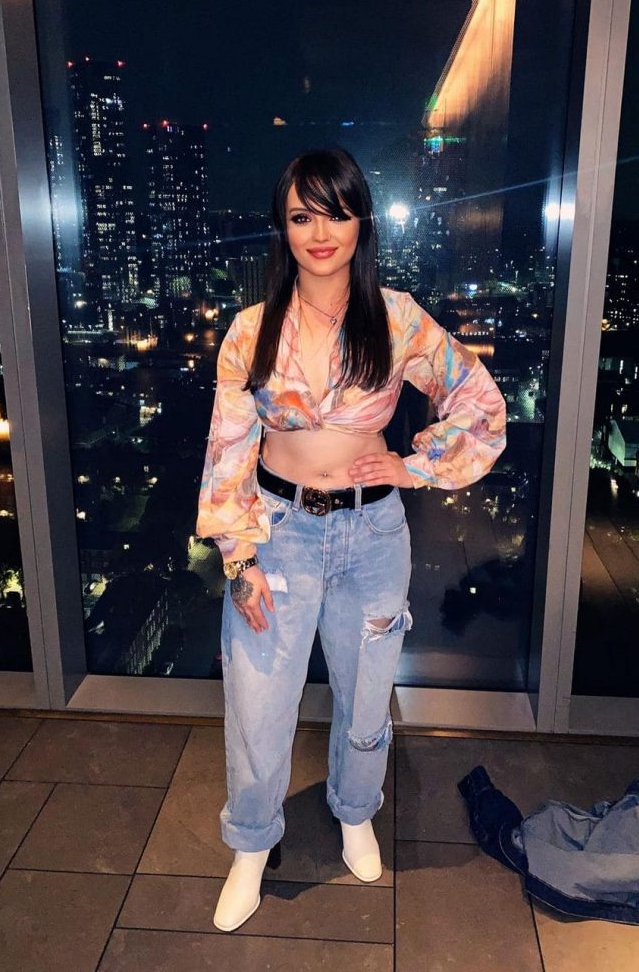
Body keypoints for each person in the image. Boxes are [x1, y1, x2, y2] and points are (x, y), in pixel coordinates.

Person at [196, 147, 507, 932]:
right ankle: (251, 844)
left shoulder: (395, 318)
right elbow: (228, 448)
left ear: (360, 221)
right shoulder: (250, 330)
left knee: (367, 697)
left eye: (334, 214)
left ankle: (354, 811)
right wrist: (238, 556)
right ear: (282, 228)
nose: (319, 232)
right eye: (301, 216)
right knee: (257, 703)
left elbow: (478, 402)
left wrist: (413, 465)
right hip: (280, 535)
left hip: (372, 535)